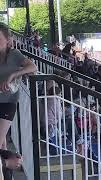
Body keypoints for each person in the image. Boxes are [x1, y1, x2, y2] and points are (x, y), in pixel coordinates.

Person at [0, 23, 37, 179]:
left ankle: (6, 166)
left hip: (8, 103)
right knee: (2, 143)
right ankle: (7, 171)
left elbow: (32, 67)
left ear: (8, 40)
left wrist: (14, 75)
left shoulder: (14, 54)